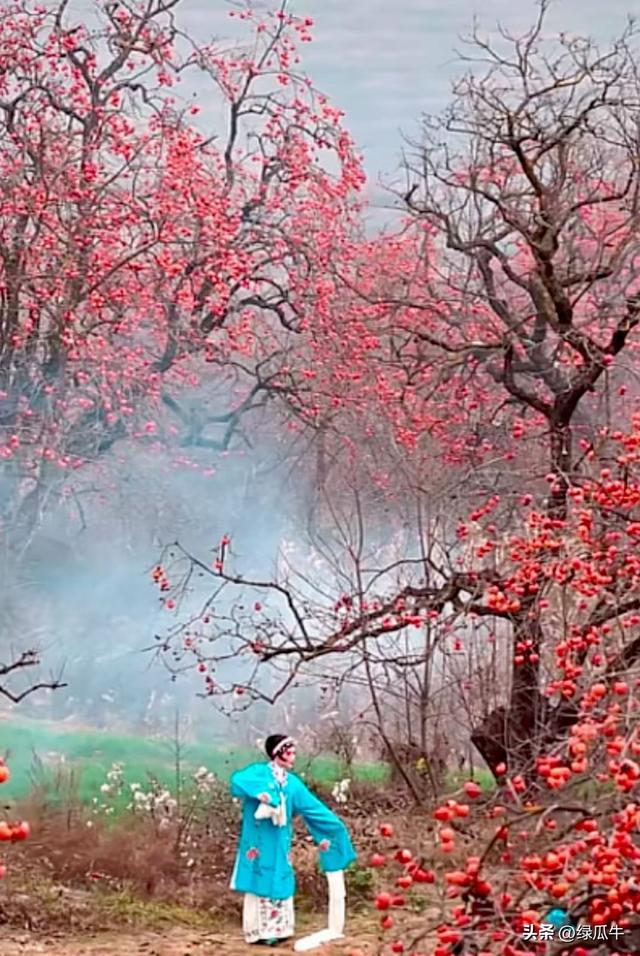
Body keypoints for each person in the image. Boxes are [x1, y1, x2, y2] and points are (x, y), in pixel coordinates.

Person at [229, 734, 356, 946]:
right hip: (259, 840)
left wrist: (334, 827)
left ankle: (280, 929)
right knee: (260, 877)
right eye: (290, 751)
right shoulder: (259, 773)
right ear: (278, 752)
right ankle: (259, 931)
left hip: (279, 839)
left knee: (280, 874)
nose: (293, 756)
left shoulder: (292, 784)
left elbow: (312, 808)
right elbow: (237, 781)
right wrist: (266, 794)